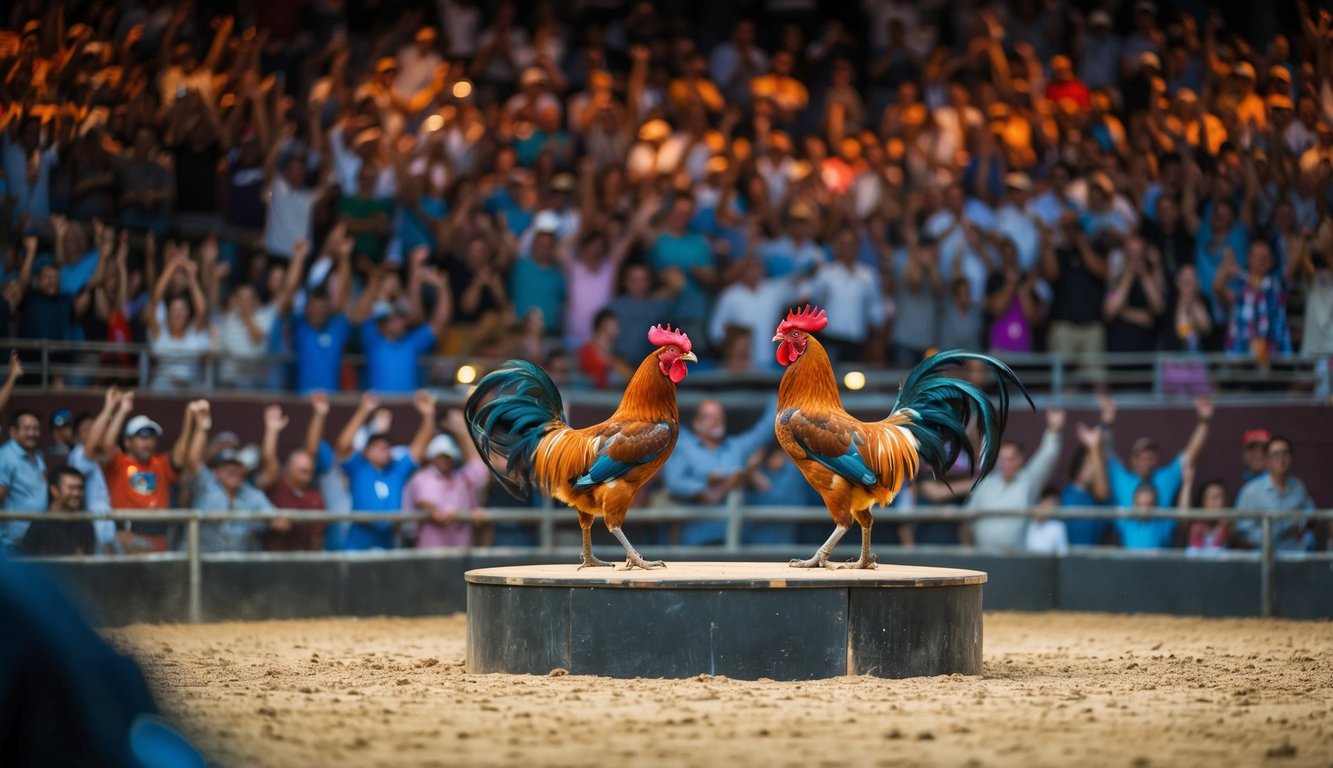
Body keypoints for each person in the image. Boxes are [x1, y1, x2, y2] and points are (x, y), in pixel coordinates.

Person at [86, 391, 198, 553]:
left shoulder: (159, 463)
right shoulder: (119, 462)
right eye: (142, 437)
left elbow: (180, 456)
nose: (149, 443)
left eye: (152, 437)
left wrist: (190, 418)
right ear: (128, 442)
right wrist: (122, 410)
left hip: (158, 539)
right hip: (126, 536)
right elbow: (106, 445)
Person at [1099, 393, 1212, 547]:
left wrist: (1204, 420)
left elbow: (1190, 454)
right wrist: (1107, 422)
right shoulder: (1122, 479)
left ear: (1157, 459)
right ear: (1133, 461)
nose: (1147, 461)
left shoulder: (1166, 478)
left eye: (1151, 456)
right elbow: (1107, 451)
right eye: (1142, 457)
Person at [662, 397, 778, 546]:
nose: (716, 421)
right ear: (697, 424)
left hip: (733, 540)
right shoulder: (685, 447)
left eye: (719, 416)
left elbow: (765, 429)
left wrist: (782, 393)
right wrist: (706, 485)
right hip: (695, 541)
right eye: (710, 416)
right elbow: (674, 482)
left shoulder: (736, 447)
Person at [333, 390, 437, 550]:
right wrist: (364, 410)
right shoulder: (358, 466)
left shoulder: (396, 469)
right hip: (357, 544)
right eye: (377, 446)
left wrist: (428, 415)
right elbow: (342, 446)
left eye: (387, 446)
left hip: (388, 543)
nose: (384, 448)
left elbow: (419, 449)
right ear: (366, 452)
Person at [965, 408, 1063, 550]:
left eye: (1010, 459)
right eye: (1002, 459)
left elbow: (1047, 458)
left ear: (1020, 460)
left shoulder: (1028, 481)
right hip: (983, 557)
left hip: (1016, 558)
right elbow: (967, 521)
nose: (1005, 464)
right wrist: (968, 550)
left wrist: (1054, 430)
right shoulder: (985, 483)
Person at [401, 409, 489, 549]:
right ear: (432, 457)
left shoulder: (461, 478)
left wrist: (462, 430)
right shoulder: (421, 478)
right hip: (430, 552)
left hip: (461, 551)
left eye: (447, 457)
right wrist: (450, 512)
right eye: (440, 456)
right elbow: (426, 504)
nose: (444, 461)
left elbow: (480, 470)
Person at [256, 405, 326, 551]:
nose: (307, 476)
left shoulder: (315, 498)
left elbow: (316, 538)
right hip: (274, 559)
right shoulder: (277, 485)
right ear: (289, 469)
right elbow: (269, 462)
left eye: (310, 472)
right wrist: (272, 430)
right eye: (302, 471)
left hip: (303, 561)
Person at [1234, 436, 1316, 551]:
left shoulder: (1298, 486)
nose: (1281, 459)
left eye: (1285, 453)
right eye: (1275, 455)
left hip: (1295, 554)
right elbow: (1242, 530)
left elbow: (1310, 513)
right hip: (1264, 556)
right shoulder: (1251, 490)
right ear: (1267, 461)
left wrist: (1303, 525)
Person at [0, 409, 48, 552]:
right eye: (27, 428)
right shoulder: (5, 457)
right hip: (10, 544)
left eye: (36, 429)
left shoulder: (38, 457)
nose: (32, 433)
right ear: (13, 432)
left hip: (35, 541)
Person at [20, 466, 95, 556]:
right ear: (54, 490)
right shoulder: (40, 524)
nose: (76, 493)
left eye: (80, 488)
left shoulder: (85, 522)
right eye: (71, 488)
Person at [1059, 422, 1111, 546]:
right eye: (1089, 463)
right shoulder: (1067, 495)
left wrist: (1094, 448)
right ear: (1079, 466)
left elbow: (1102, 491)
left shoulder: (1097, 496)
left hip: (1095, 558)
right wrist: (1093, 448)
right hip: (1070, 558)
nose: (1093, 468)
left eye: (1095, 463)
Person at [1025, 486, 1069, 555]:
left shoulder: (1058, 527)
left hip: (1048, 564)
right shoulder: (1027, 523)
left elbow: (1062, 553)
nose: (1050, 507)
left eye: (1054, 504)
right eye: (1048, 501)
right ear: (1041, 501)